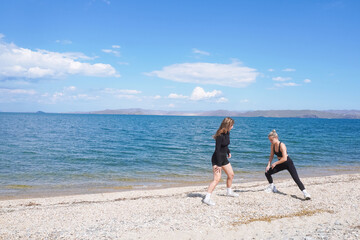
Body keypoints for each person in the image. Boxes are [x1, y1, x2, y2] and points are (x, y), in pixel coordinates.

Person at [265, 129, 311, 200]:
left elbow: (284, 158)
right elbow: (271, 156)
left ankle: (305, 193)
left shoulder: (282, 145)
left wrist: (275, 163)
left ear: (276, 138)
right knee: (267, 172)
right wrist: (268, 165)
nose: (270, 141)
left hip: (288, 163)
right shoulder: (272, 145)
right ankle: (272, 187)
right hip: (280, 163)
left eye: (271, 140)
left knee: (296, 178)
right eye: (270, 140)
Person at [203, 117, 239, 206]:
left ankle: (229, 192)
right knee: (217, 179)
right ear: (227, 125)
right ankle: (207, 198)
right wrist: (218, 164)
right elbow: (217, 150)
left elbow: (225, 145)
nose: (232, 127)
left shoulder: (227, 133)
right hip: (217, 159)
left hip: (223, 158)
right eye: (231, 125)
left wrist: (228, 152)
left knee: (231, 174)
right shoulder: (220, 135)